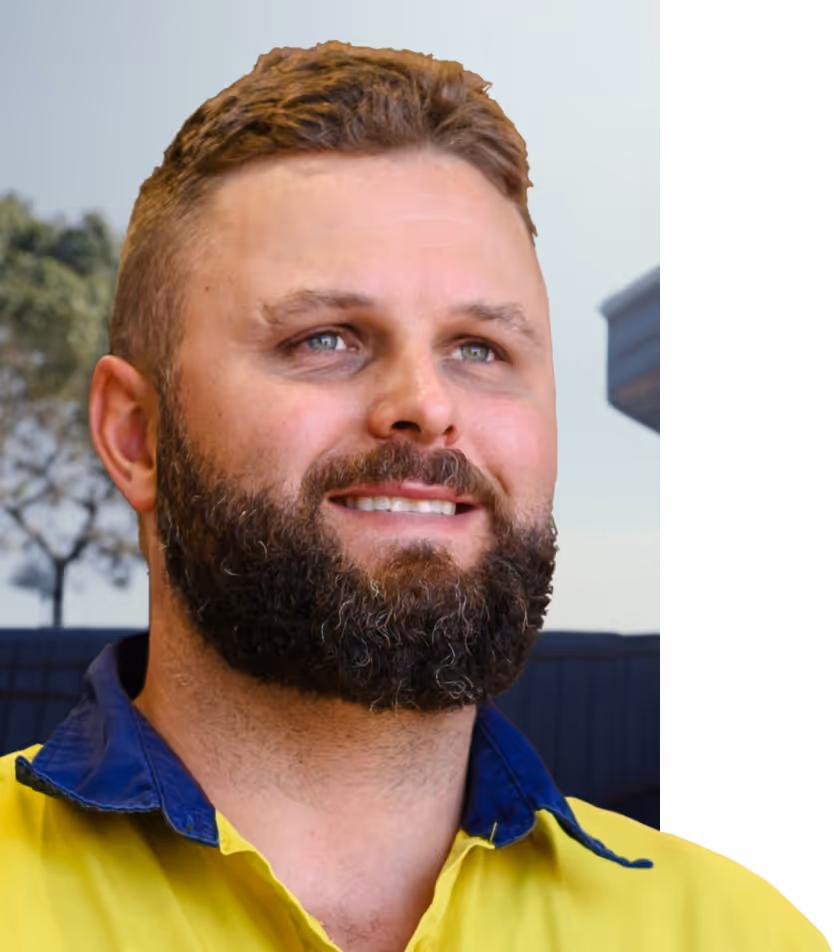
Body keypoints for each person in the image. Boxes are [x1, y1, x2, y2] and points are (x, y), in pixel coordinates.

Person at [0, 41, 827, 952]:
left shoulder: (737, 935)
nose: (426, 408)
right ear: (134, 435)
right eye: (325, 339)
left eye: (479, 348)